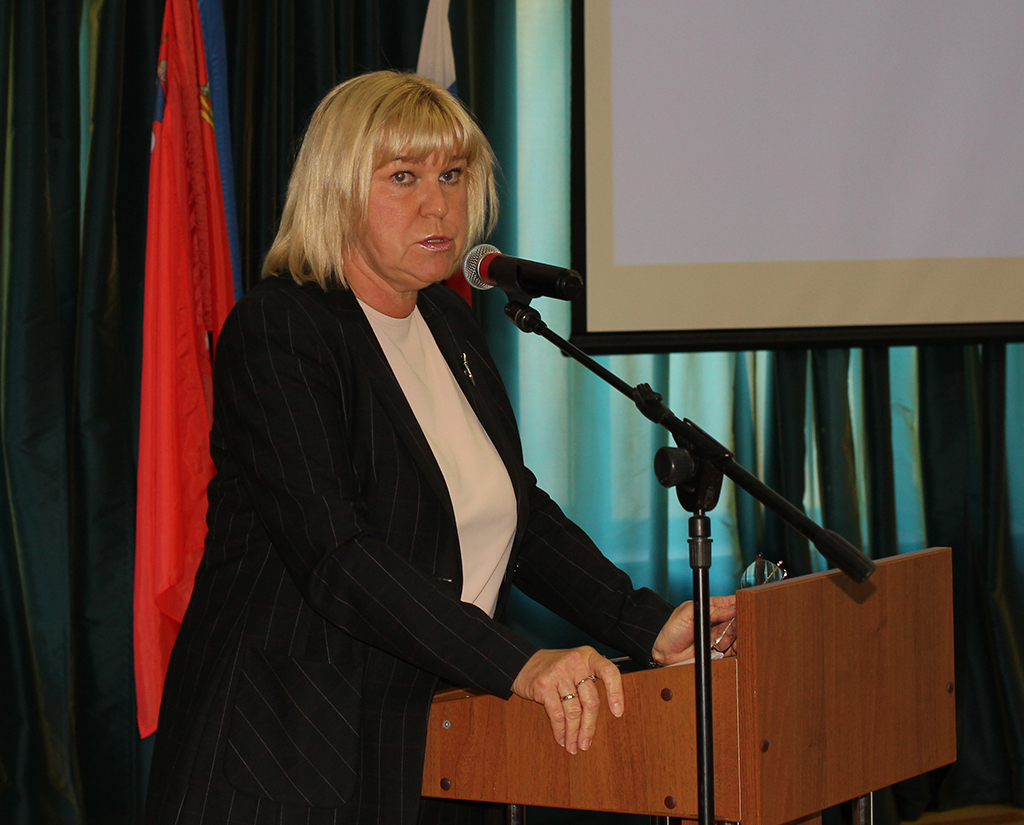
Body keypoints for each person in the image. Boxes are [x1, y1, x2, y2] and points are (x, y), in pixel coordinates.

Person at [144, 71, 736, 825]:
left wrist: (643, 624)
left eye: (452, 175)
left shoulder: (448, 325)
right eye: (404, 177)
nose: (439, 205)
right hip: (289, 758)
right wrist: (518, 661)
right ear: (336, 190)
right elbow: (338, 556)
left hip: (431, 741)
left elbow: (517, 514)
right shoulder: (283, 329)